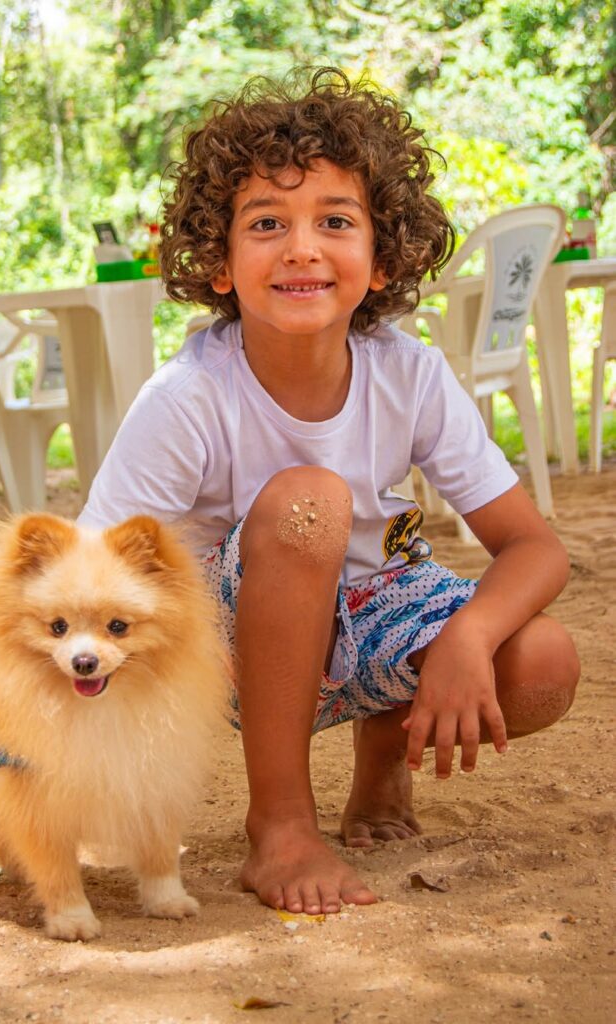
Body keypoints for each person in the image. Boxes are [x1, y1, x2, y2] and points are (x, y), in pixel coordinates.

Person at [76, 68, 580, 916]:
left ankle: (381, 763)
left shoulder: (409, 376)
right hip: (229, 646)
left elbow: (534, 547)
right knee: (309, 499)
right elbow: (92, 570)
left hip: (368, 605)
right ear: (220, 266)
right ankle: (278, 820)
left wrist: (467, 638)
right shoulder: (189, 395)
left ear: (381, 261)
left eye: (335, 222)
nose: (301, 248)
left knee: (540, 665)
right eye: (266, 224)